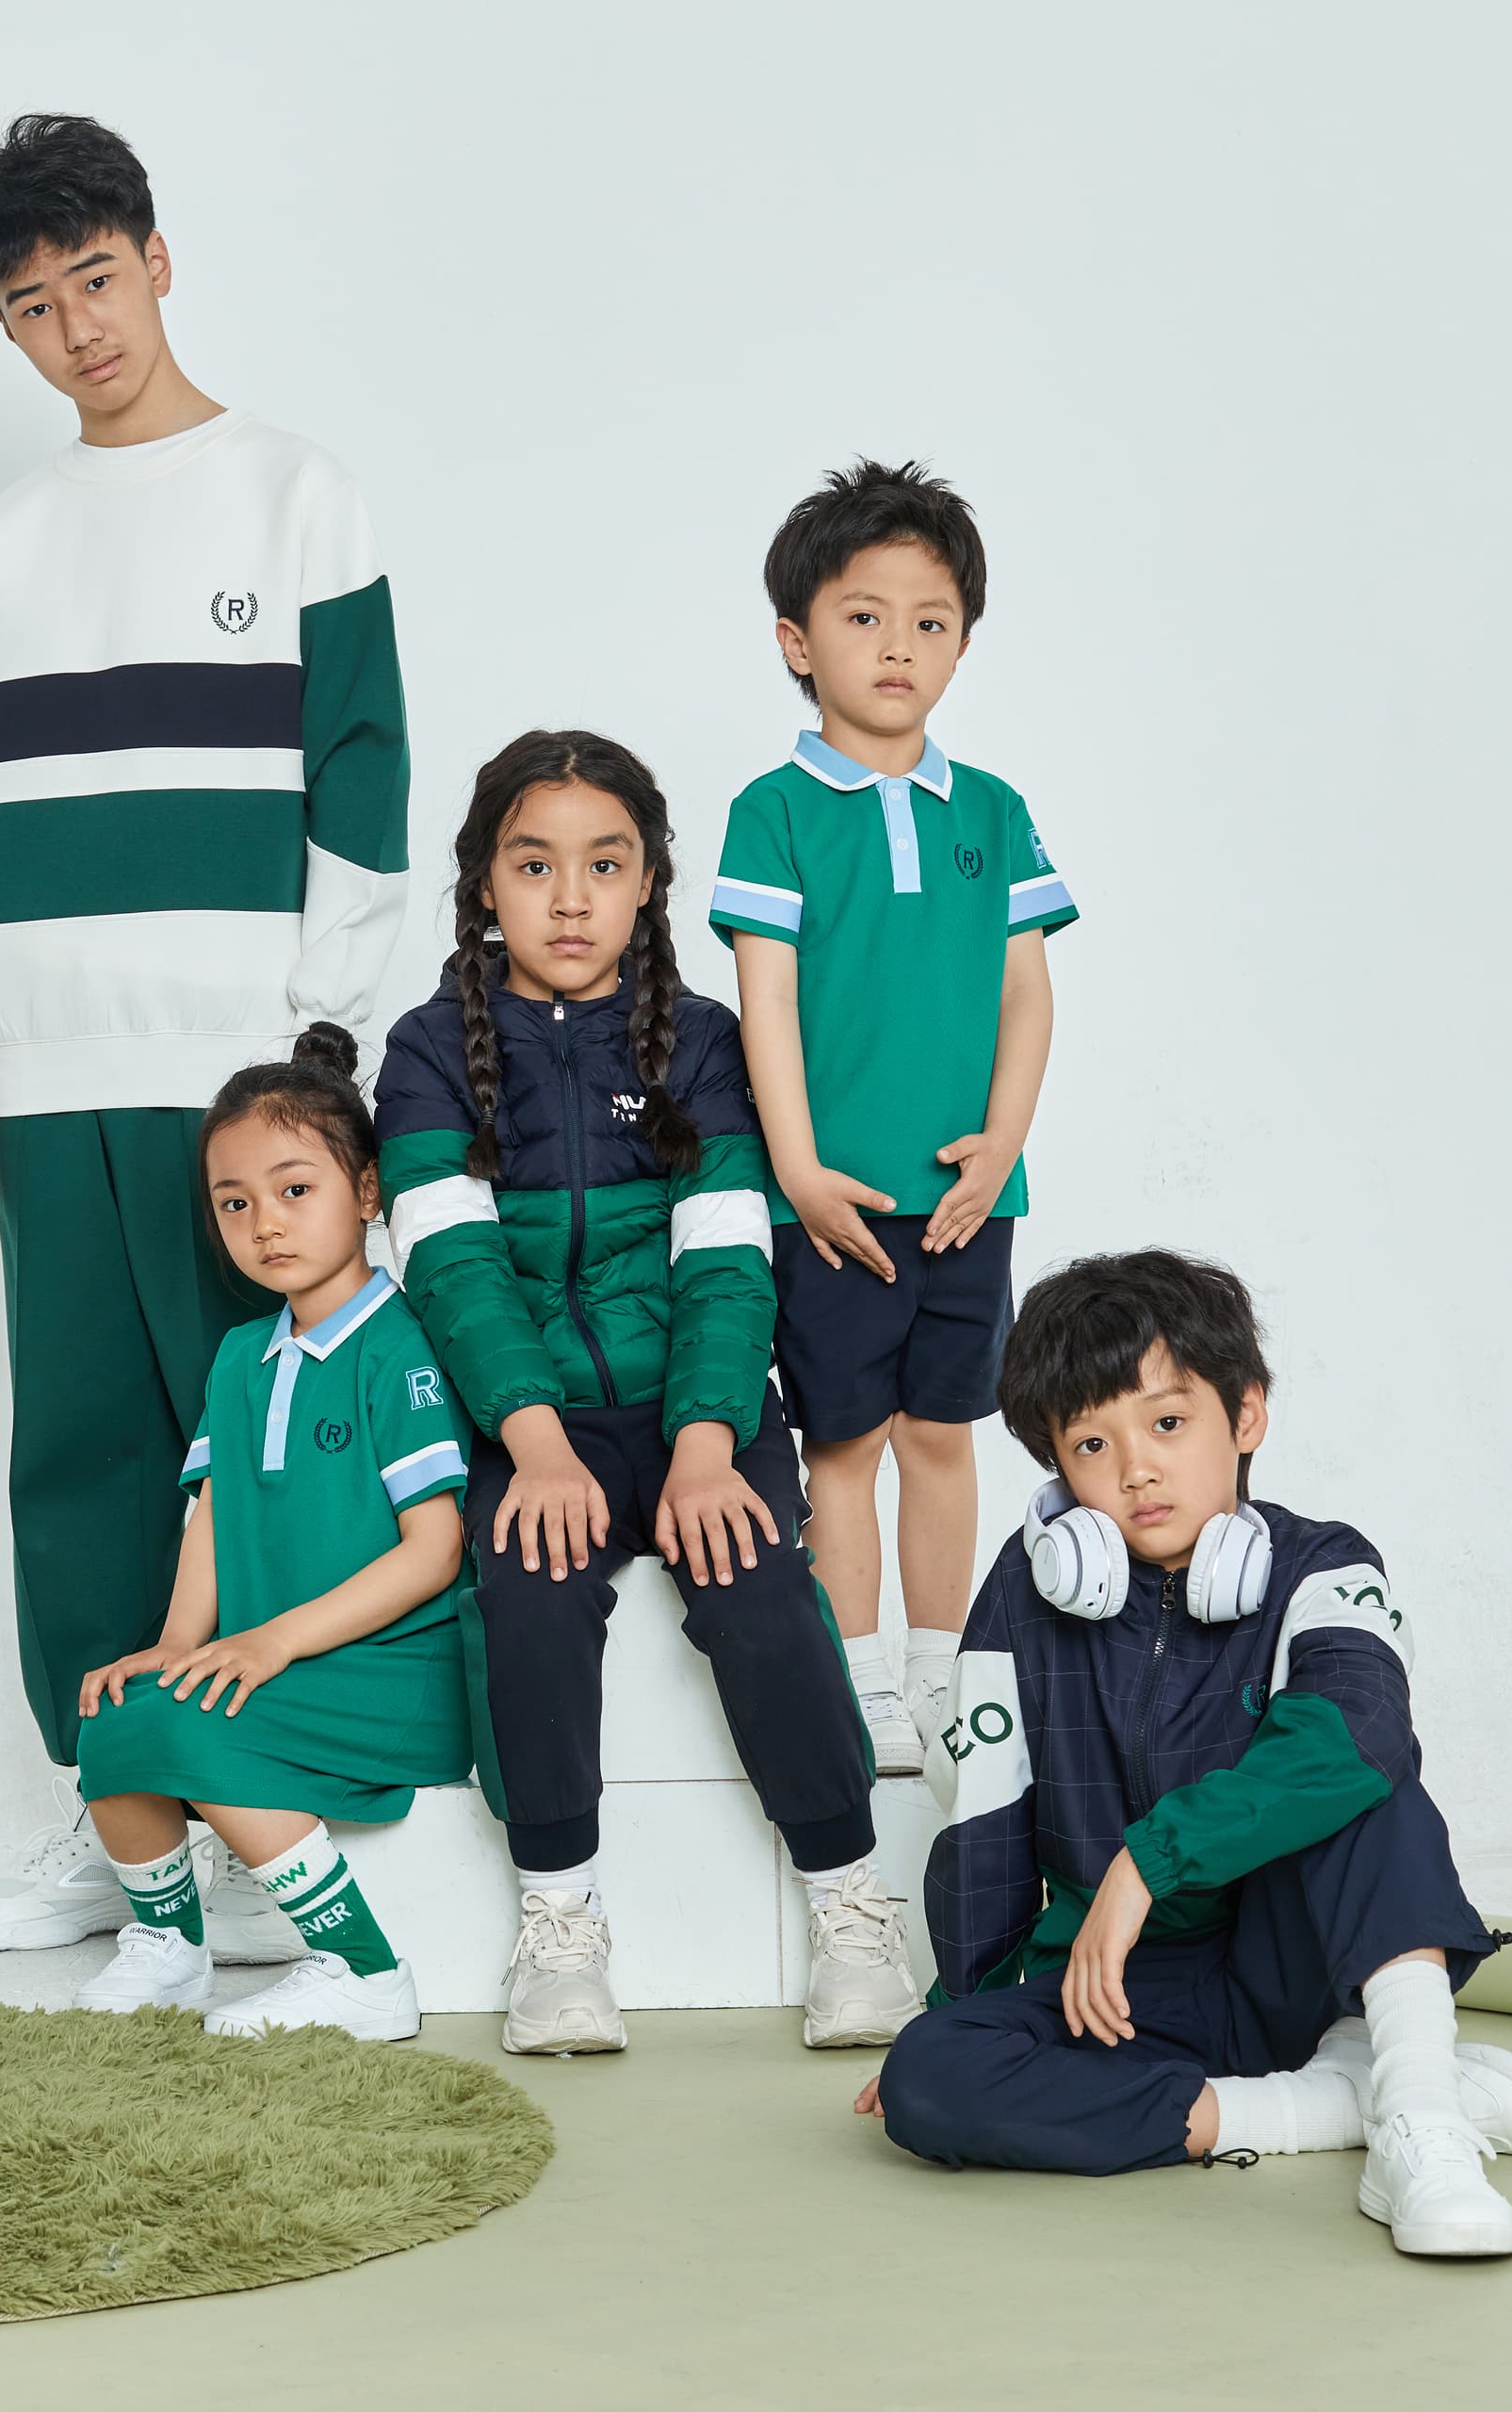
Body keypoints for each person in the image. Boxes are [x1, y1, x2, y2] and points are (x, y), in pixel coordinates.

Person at [0, 115, 411, 1962]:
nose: (75, 328)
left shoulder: (295, 496)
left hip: (233, 1074)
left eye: (94, 280)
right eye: (30, 307)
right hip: (44, 1069)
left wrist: (323, 1057)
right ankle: (115, 1821)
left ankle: (266, 1825)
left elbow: (361, 777)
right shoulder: (5, 542)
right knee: (84, 1447)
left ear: (158, 260)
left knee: (253, 1442)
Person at [375, 732, 914, 2057]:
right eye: (535, 864)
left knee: (761, 1593)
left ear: (649, 883)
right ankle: (559, 1925)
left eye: (604, 866)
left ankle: (853, 1906)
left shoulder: (706, 1044)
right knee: (530, 1600)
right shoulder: (430, 1047)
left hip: (694, 1412)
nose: (570, 900)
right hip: (527, 1422)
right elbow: (455, 1273)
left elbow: (729, 1265)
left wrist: (706, 1444)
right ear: (483, 883)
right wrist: (536, 1444)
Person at [862, 1251, 1512, 2257]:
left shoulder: (1324, 1564)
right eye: (1092, 1442)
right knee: (924, 2078)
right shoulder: (1025, 1592)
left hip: (1299, 1965)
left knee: (1366, 1778)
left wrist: (1151, 1859)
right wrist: (964, 2026)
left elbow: (1360, 1732)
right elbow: (985, 1818)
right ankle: (1342, 2101)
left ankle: (1422, 2129)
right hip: (1123, 1991)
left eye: (1166, 1422)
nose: (1137, 1468)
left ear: (1245, 1416)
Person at [707, 463, 1075, 1781]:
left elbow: (1028, 993)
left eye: (930, 620)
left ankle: (940, 1676)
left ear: (964, 642)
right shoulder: (778, 812)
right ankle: (857, 1681)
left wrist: (1002, 1140)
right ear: (799, 644)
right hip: (837, 1202)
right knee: (845, 1443)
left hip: (973, 1198)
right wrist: (799, 1172)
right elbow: (767, 1004)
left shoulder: (993, 811)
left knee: (943, 1436)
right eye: (866, 617)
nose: (899, 646)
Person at [68, 1030, 476, 2041]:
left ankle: (363, 1968)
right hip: (270, 1666)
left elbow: (435, 1549)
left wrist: (276, 1640)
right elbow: (209, 1514)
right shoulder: (241, 1355)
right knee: (116, 1715)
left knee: (202, 1730)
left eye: (295, 1190)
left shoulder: (402, 1346)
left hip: (382, 1674)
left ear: (367, 1190)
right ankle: (170, 1947)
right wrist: (173, 1644)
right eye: (234, 1201)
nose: (264, 1224)